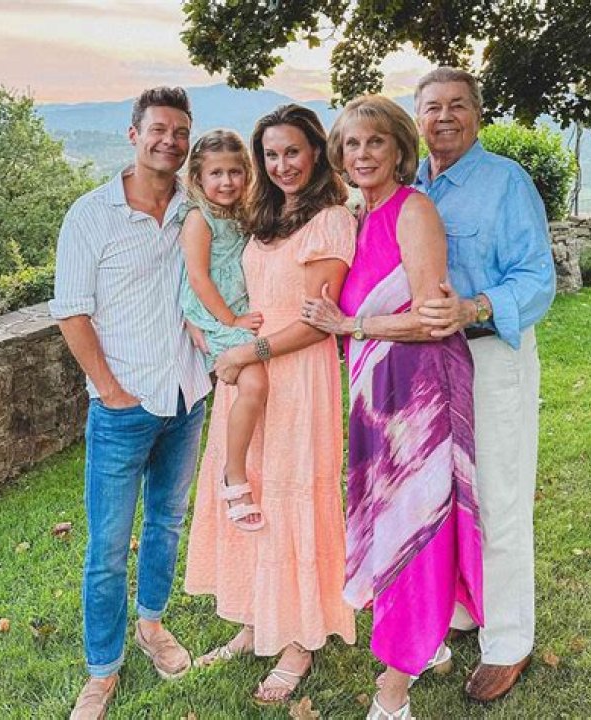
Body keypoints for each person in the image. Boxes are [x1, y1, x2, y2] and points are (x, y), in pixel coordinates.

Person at [302, 94, 483, 720]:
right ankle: (428, 641)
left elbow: (433, 320)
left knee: (415, 525)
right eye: (351, 144)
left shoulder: (414, 210)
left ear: (400, 149)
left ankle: (394, 688)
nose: (362, 154)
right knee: (395, 522)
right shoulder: (357, 217)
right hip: (375, 397)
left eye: (375, 141)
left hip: (418, 394)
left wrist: (349, 325)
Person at [184, 104, 357, 704]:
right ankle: (257, 619)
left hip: (295, 372)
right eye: (271, 154)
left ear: (316, 153)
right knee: (250, 490)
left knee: (289, 493)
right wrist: (218, 334)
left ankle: (298, 640)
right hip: (249, 370)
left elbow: (317, 322)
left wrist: (248, 351)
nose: (281, 165)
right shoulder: (263, 214)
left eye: (292, 152)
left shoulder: (331, 219)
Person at [50, 87, 211, 720]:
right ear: (133, 134)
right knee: (108, 548)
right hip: (123, 408)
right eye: (158, 130)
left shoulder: (195, 209)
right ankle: (102, 669)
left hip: (187, 397)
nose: (170, 141)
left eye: (180, 132)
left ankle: (152, 625)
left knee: (167, 522)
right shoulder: (92, 215)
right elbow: (72, 312)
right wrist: (111, 392)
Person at [413, 67, 556, 702]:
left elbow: (538, 279)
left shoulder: (506, 182)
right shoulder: (412, 186)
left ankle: (508, 641)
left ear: (477, 113)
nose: (444, 117)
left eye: (457, 105)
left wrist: (474, 307)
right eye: (432, 107)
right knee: (445, 494)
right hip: (428, 366)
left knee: (499, 497)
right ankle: (463, 608)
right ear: (417, 118)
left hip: (490, 354)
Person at [179, 129, 266, 531]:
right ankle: (233, 474)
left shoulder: (241, 214)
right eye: (216, 174)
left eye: (235, 172)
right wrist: (230, 321)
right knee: (254, 384)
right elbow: (198, 277)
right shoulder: (200, 218)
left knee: (258, 385)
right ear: (198, 178)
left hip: (239, 310)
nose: (227, 182)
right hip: (217, 315)